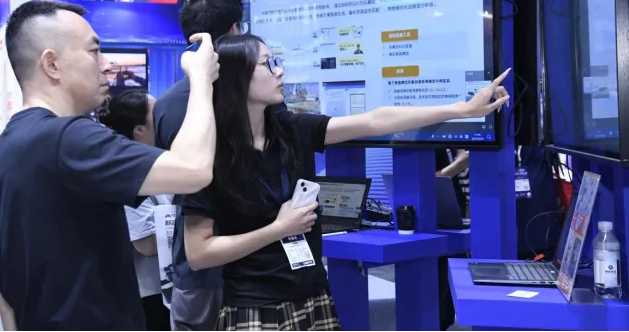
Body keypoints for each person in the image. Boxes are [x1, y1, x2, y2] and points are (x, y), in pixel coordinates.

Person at [182, 33, 510, 331]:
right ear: (238, 77)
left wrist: (462, 109)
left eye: (277, 61)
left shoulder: (291, 131)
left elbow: (376, 120)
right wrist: (278, 229)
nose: (279, 71)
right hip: (253, 309)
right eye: (268, 63)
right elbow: (198, 252)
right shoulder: (209, 155)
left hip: (314, 296)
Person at [0, 0, 220, 332]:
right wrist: (201, 80)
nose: (106, 65)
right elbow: (194, 169)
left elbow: (3, 299)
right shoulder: (68, 138)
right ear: (52, 64)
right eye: (94, 52)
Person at [153, 0, 247, 331]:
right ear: (235, 30)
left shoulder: (165, 104)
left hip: (192, 266)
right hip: (245, 258)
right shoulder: (247, 96)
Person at [98, 90, 173, 332]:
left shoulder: (158, 162)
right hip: (148, 294)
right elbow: (146, 244)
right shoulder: (126, 171)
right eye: (156, 113)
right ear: (139, 129)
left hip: (167, 287)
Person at [435, 148, 470, 332]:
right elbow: (420, 182)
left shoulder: (458, 144)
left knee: (447, 307)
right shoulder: (424, 140)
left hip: (457, 223)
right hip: (435, 224)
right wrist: (458, 165)